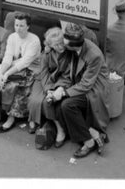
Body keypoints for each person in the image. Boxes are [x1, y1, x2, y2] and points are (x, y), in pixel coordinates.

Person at [47, 24, 111, 158]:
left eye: (64, 41)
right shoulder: (74, 47)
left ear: (73, 46)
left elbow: (86, 85)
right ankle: (93, 132)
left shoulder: (94, 55)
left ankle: (88, 142)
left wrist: (63, 93)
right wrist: (59, 89)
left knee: (67, 105)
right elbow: (67, 74)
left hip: (94, 89)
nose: (62, 44)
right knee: (58, 105)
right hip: (78, 83)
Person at [0, 12, 41, 133]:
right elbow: (8, 57)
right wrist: (1, 73)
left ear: (28, 26)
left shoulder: (34, 40)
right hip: (12, 67)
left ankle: (11, 118)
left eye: (21, 25)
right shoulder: (12, 37)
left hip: (29, 69)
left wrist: (7, 74)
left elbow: (25, 62)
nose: (18, 28)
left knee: (14, 87)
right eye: (16, 25)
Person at [27, 27, 70, 139]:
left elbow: (67, 76)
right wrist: (48, 89)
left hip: (61, 82)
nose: (60, 47)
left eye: (61, 43)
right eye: (56, 45)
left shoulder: (69, 54)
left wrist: (57, 88)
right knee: (34, 100)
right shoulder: (47, 53)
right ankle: (33, 120)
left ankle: (59, 129)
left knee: (49, 101)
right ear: (50, 45)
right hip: (44, 80)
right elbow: (44, 72)